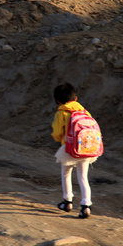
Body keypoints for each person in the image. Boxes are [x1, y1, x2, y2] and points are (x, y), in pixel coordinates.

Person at [51, 83, 98, 219]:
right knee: (83, 177)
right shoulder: (83, 111)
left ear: (58, 101)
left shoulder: (62, 112)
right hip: (85, 148)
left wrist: (60, 139)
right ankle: (86, 204)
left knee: (66, 173)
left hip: (69, 148)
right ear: (76, 98)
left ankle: (67, 201)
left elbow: (57, 132)